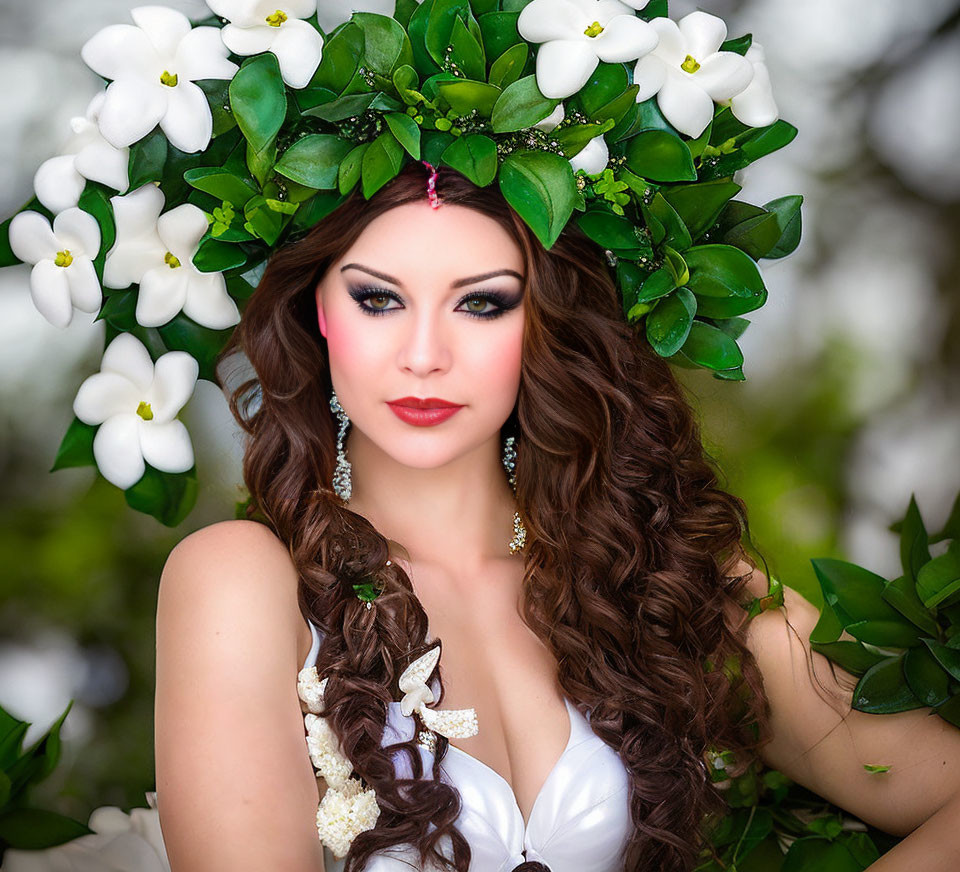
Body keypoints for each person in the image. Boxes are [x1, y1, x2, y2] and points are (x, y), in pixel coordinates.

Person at [151, 162, 960, 872]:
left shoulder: (653, 570)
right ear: (317, 313)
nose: (425, 353)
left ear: (542, 321)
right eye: (377, 299)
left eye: (482, 305)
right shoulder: (240, 578)